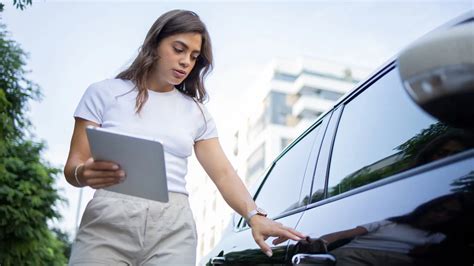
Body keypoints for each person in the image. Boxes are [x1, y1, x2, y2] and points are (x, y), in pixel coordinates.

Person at [64, 9, 305, 265]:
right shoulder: (103, 93)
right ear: (154, 43)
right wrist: (83, 174)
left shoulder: (196, 112)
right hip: (107, 221)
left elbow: (223, 173)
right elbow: (73, 166)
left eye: (193, 56)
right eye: (178, 49)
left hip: (172, 229)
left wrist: (254, 216)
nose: (186, 62)